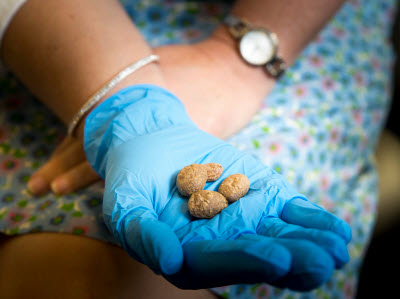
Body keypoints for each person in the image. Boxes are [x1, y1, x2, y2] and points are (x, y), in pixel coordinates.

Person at [0, 0, 395, 298]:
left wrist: (234, 61)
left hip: (297, 25)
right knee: (66, 272)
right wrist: (127, 104)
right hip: (52, 28)